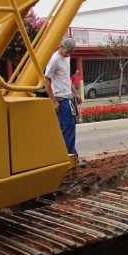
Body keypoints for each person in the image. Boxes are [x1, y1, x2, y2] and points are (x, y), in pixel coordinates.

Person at [44, 38, 86, 168]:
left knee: (69, 127)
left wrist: (76, 93)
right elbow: (46, 81)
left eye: (70, 53)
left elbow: (66, 79)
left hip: (68, 97)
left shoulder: (66, 58)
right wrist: (54, 101)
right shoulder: (55, 59)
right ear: (61, 47)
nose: (68, 54)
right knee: (68, 127)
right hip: (61, 99)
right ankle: (71, 157)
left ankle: (68, 157)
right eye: (67, 51)